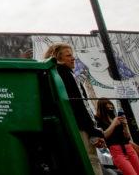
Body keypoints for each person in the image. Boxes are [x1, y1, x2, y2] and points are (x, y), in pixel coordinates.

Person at [44, 42, 106, 172]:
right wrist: (93, 131)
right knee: (92, 161)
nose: (73, 58)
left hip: (69, 128)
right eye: (68, 55)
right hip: (81, 128)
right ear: (57, 58)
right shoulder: (67, 75)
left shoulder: (51, 75)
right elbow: (80, 106)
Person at [96, 98, 139, 175]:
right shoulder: (99, 120)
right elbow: (104, 135)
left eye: (111, 107)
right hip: (117, 152)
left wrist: (125, 125)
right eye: (108, 108)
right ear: (103, 108)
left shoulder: (115, 117)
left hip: (128, 148)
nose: (110, 109)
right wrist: (114, 123)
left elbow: (127, 137)